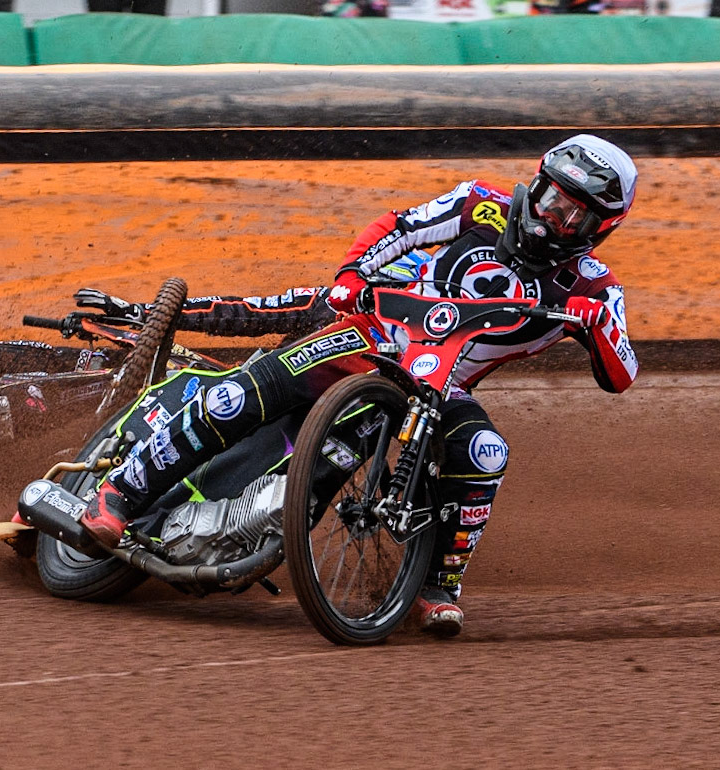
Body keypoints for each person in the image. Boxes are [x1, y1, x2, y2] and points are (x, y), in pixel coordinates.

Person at [76, 134, 640, 638]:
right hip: (369, 337)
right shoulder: (480, 203)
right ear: (537, 182)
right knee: (240, 394)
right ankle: (119, 495)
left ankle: (438, 587)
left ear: (600, 229)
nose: (552, 216)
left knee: (485, 453)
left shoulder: (594, 287)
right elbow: (397, 228)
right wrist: (350, 278)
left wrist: (598, 323)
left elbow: (623, 376)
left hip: (440, 388)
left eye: (574, 215)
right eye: (550, 198)